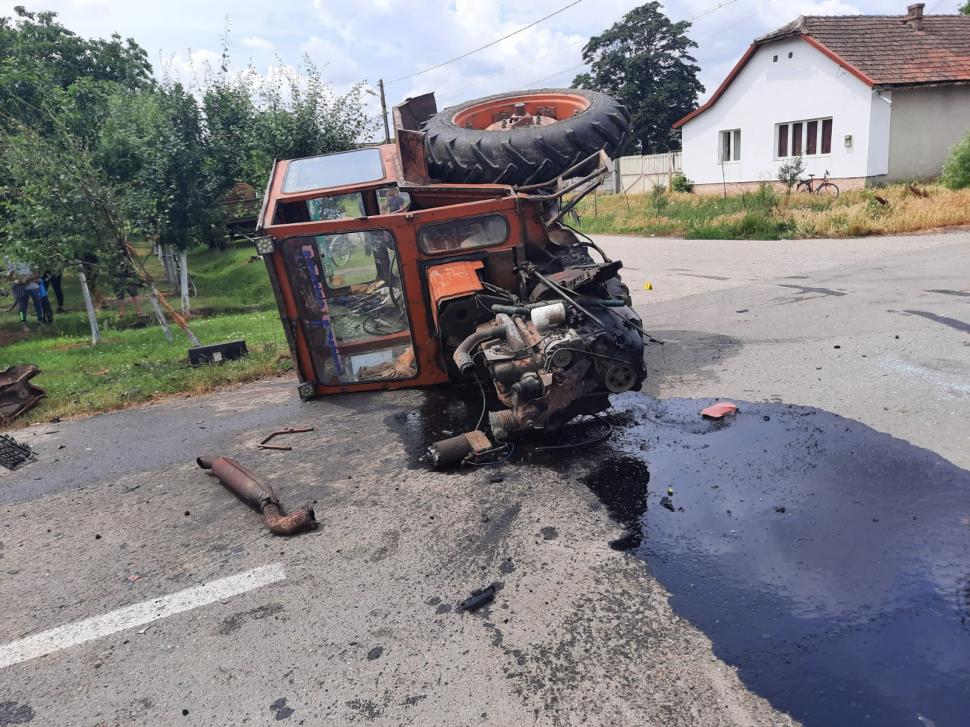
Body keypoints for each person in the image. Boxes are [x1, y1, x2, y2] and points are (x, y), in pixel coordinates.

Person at [4, 260, 43, 331]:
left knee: (38, 305)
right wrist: (20, 280)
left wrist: (26, 279)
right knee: (22, 307)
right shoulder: (13, 260)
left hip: (33, 287)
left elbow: (37, 274)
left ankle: (40, 321)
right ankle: (23, 323)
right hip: (20, 287)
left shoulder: (31, 258)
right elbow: (9, 277)